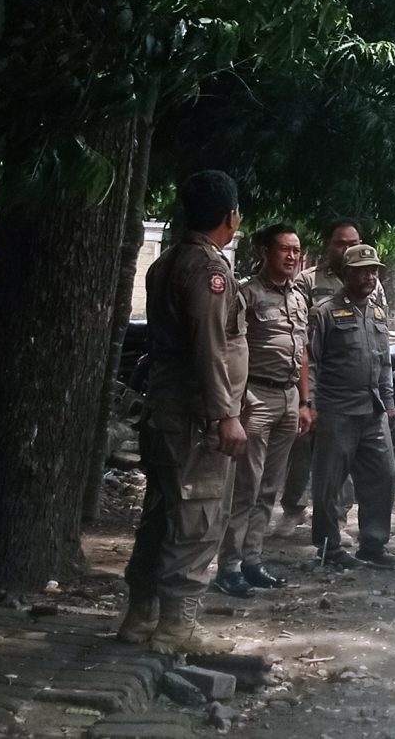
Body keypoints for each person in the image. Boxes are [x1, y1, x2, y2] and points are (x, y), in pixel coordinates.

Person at [118, 171, 248, 655]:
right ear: (230, 216)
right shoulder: (207, 270)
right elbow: (210, 346)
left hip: (165, 411)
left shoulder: (167, 261)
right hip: (195, 419)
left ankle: (140, 615)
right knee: (197, 519)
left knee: (160, 514)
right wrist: (225, 415)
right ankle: (177, 628)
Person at [212, 224, 310, 599]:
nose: (291, 257)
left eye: (296, 250)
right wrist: (236, 403)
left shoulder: (299, 296)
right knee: (245, 487)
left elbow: (302, 353)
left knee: (270, 487)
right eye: (284, 249)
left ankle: (252, 561)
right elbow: (228, 349)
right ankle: (230, 566)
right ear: (265, 252)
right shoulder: (246, 295)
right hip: (256, 398)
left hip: (288, 400)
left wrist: (304, 402)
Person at [306, 243, 395, 570]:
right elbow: (311, 365)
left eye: (373, 271)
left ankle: (373, 544)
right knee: (330, 483)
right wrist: (310, 406)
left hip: (372, 411)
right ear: (345, 274)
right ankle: (328, 548)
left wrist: (389, 402)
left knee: (384, 475)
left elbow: (384, 362)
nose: (368, 277)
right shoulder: (324, 313)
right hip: (336, 411)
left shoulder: (377, 312)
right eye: (361, 271)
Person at [283, 217, 374, 524]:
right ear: (328, 244)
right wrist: (305, 397)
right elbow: (297, 338)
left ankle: (337, 518)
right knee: (301, 449)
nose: (349, 248)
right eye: (341, 243)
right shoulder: (307, 282)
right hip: (311, 382)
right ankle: (293, 508)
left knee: (344, 455)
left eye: (354, 243)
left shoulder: (370, 284)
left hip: (349, 391)